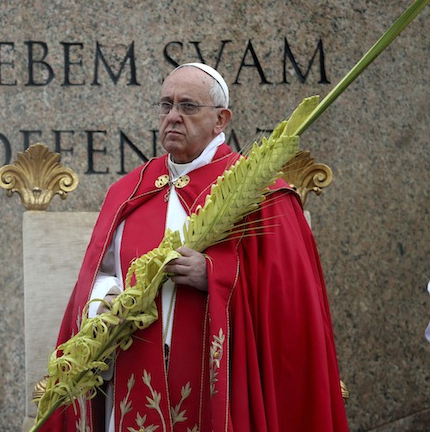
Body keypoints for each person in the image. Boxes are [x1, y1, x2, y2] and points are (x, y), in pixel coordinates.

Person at [43, 63, 349, 431]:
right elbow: (100, 272)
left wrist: (215, 276)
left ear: (221, 120)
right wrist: (105, 297)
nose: (172, 117)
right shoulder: (129, 191)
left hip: (219, 379)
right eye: (166, 105)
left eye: (187, 106)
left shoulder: (260, 192)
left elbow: (291, 301)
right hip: (133, 373)